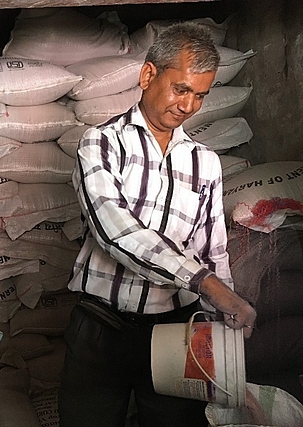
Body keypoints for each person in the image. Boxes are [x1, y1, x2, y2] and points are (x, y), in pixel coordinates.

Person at [58, 22, 257, 427]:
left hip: (174, 332)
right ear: (148, 75)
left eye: (200, 96)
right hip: (101, 328)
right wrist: (206, 283)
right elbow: (115, 229)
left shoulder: (205, 163)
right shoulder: (100, 143)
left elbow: (213, 250)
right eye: (181, 89)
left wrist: (225, 325)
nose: (188, 106)